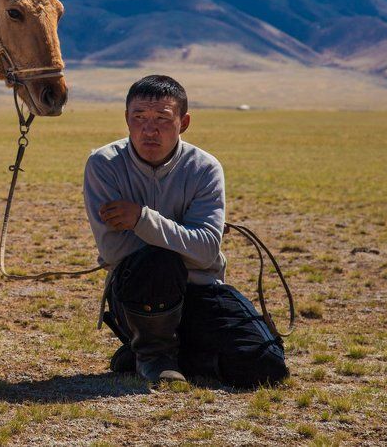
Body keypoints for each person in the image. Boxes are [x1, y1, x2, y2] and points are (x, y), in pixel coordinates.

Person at [84, 74, 288, 387]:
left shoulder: (204, 168)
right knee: (156, 262)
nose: (149, 129)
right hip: (139, 300)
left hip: (201, 290)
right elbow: (116, 251)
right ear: (126, 119)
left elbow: (207, 249)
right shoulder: (105, 164)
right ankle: (153, 356)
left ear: (185, 122)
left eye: (162, 119)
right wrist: (183, 244)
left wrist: (140, 218)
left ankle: (155, 355)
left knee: (266, 364)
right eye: (139, 117)